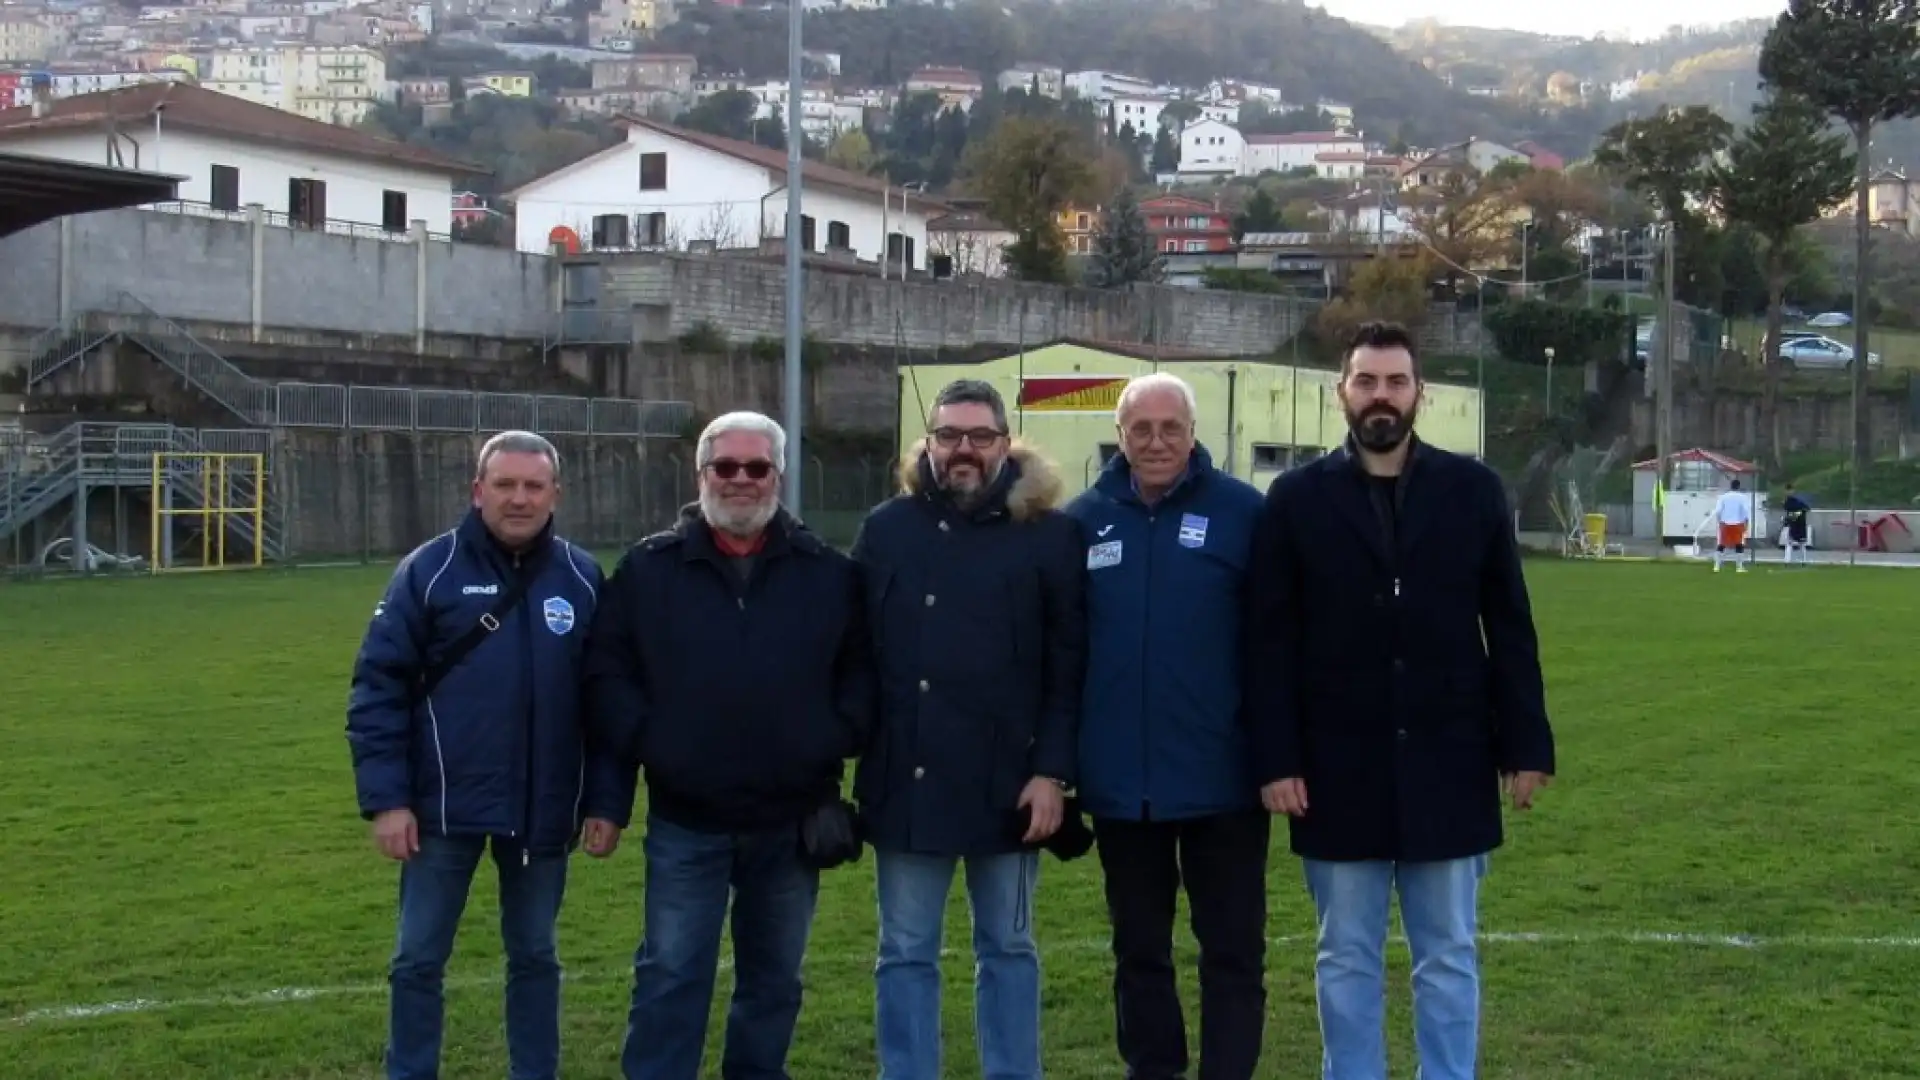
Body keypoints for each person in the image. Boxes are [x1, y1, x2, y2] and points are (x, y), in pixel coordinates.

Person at [1244, 322, 1556, 1080]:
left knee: (1447, 952)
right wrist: (1277, 757)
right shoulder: (1294, 499)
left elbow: (1509, 625)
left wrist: (1526, 746)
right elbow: (1269, 642)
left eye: (1395, 382)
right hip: (1334, 766)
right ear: (1340, 393)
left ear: (1420, 393)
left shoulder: (1474, 490)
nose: (1380, 396)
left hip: (1449, 760)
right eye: (1366, 382)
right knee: (1344, 954)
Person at [583, 410, 875, 1080]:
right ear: (701, 474)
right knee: (670, 976)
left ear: (779, 475)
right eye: (726, 467)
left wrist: (831, 736)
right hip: (689, 820)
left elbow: (862, 671)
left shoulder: (828, 573)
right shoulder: (649, 569)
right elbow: (607, 672)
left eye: (757, 467)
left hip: (792, 819)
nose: (741, 480)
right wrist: (657, 744)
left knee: (774, 984)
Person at [346, 429, 621, 1080]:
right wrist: (387, 801)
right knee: (417, 959)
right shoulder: (429, 570)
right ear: (477, 492)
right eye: (504, 485)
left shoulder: (584, 578)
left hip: (543, 810)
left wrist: (605, 800)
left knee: (534, 957)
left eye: (533, 486)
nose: (518, 499)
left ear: (556, 494)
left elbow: (609, 702)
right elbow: (376, 690)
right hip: (441, 808)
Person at [850, 377, 1088, 1080]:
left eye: (979, 437)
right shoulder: (886, 528)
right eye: (948, 435)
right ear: (927, 442)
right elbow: (855, 654)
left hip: (1012, 788)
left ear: (1005, 444)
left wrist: (1052, 773)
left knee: (1009, 949)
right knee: (904, 953)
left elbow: (1067, 667)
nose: (963, 450)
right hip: (906, 783)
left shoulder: (1050, 535)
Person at [1062, 372, 1271, 1080]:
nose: (1156, 442)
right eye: (1140, 429)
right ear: (1120, 435)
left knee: (1233, 951)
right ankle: (1152, 1069)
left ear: (1193, 432)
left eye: (1170, 428)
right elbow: (1064, 650)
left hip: (1226, 781)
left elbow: (1276, 643)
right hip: (1123, 785)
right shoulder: (1083, 520)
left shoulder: (1244, 512)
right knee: (1139, 950)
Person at [1712, 479, 1752, 573]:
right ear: (1738, 486)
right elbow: (1746, 511)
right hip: (1738, 524)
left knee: (1721, 544)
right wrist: (1746, 522)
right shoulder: (1742, 497)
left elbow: (1718, 510)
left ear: (1731, 486)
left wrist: (1719, 520)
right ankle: (1739, 567)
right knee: (1739, 545)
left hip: (1725, 523)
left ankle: (1717, 566)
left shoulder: (1723, 497)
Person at [1780, 483, 1812, 565]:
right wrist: (1787, 519)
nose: (1788, 492)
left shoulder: (1797, 501)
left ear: (1793, 491)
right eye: (1787, 490)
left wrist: (1794, 515)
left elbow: (1806, 509)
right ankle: (1787, 561)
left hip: (1800, 524)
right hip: (1793, 525)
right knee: (1789, 543)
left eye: (1790, 490)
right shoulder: (1786, 502)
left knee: (1802, 544)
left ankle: (1803, 561)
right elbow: (1789, 513)